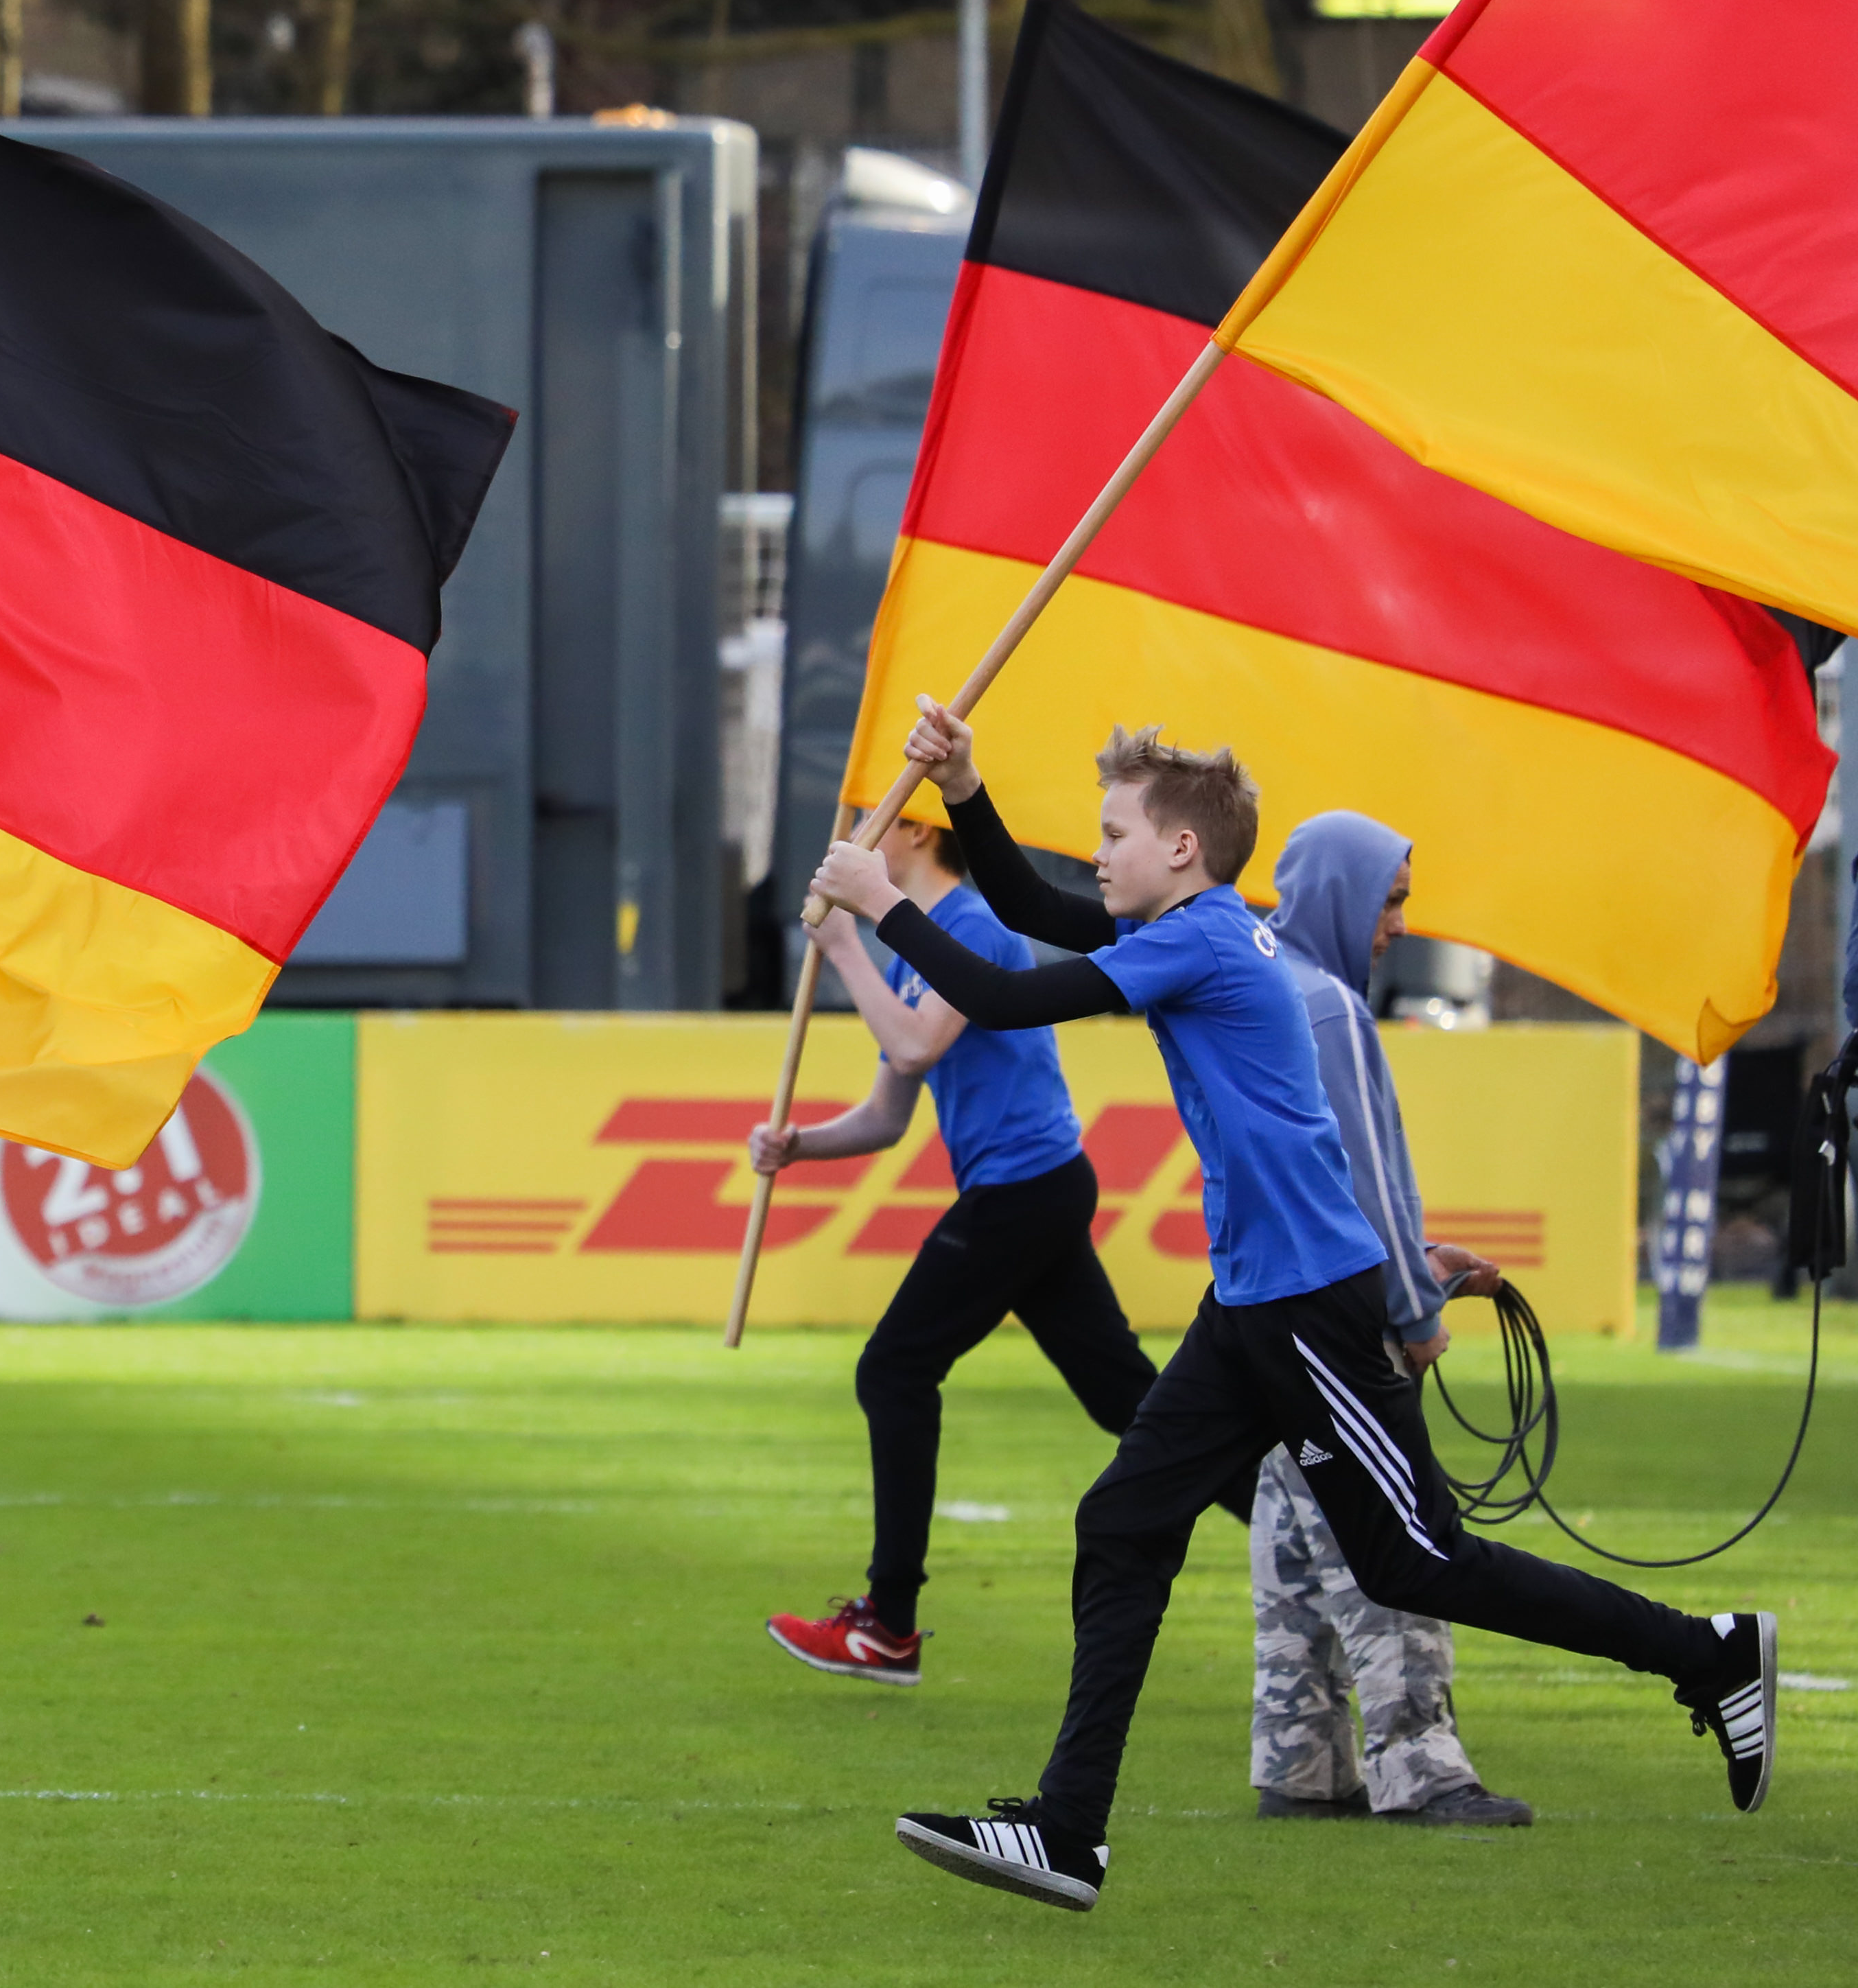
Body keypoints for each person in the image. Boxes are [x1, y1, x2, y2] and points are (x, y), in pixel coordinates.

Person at [807, 703, 1778, 1913]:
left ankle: (1708, 1653)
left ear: (1182, 850)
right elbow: (1035, 909)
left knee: (1421, 1562)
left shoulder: (1205, 943)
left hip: (1312, 1305)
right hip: (1252, 1303)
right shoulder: (1193, 925)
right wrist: (964, 786)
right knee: (1123, 1524)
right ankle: (1066, 1832)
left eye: (1114, 834)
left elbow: (1007, 998)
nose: (1097, 853)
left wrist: (880, 904)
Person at [753, 815, 1155, 1688]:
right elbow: (885, 1115)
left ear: (911, 829)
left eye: (868, 817)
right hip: (1030, 1188)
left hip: (1023, 1187)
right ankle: (1297, 1515)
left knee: (892, 1369)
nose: (853, 831)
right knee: (1125, 1398)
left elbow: (912, 1044)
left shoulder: (969, 925)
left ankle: (888, 1623)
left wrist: (846, 946)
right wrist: (797, 1146)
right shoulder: (919, 944)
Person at [1249, 811, 1530, 1829]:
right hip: (1346, 1330)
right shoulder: (1329, 1008)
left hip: (1268, 1320)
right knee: (1392, 1539)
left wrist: (1422, 1261)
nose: (1399, 924)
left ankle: (1300, 1765)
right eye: (1391, 899)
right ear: (1342, 892)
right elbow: (1364, 1180)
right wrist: (1413, 1308)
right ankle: (1422, 1771)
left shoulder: (1263, 986)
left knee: (1294, 1542)